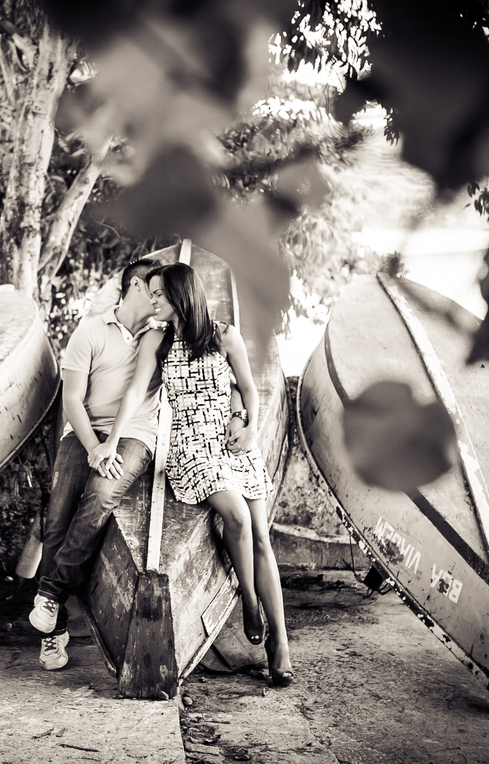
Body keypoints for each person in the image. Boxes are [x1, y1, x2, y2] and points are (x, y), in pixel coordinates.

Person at [96, 262, 294, 687]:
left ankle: (280, 643)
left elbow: (249, 386)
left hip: (234, 444)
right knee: (237, 518)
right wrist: (112, 440)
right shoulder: (157, 339)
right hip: (192, 450)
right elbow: (134, 391)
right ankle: (250, 602)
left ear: (181, 295)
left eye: (159, 294)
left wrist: (249, 424)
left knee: (260, 534)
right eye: (150, 293)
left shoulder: (225, 336)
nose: (152, 301)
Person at [28, 258, 165, 670]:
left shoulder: (161, 337)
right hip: (85, 431)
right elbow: (72, 401)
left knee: (101, 495)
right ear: (136, 287)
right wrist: (93, 447)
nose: (162, 299)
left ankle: (50, 594)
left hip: (136, 433)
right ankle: (54, 634)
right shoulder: (89, 331)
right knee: (58, 516)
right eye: (156, 291)